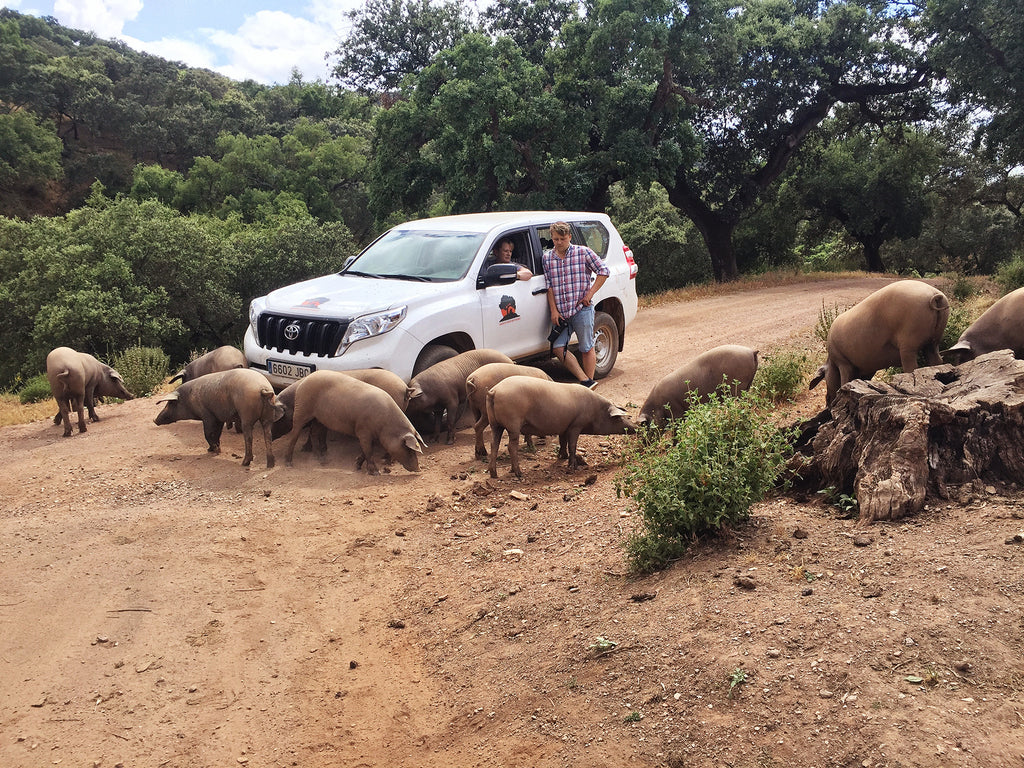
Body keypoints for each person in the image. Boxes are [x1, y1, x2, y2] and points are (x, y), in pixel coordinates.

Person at [542, 221, 610, 389]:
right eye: (556, 239)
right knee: (558, 348)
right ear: (552, 238)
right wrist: (553, 311)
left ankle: (589, 384)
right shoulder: (547, 258)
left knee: (586, 347)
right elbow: (549, 286)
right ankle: (585, 380)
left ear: (569, 237)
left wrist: (590, 293)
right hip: (562, 313)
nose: (559, 242)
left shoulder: (583, 252)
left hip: (581, 309)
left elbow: (604, 271)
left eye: (562, 239)